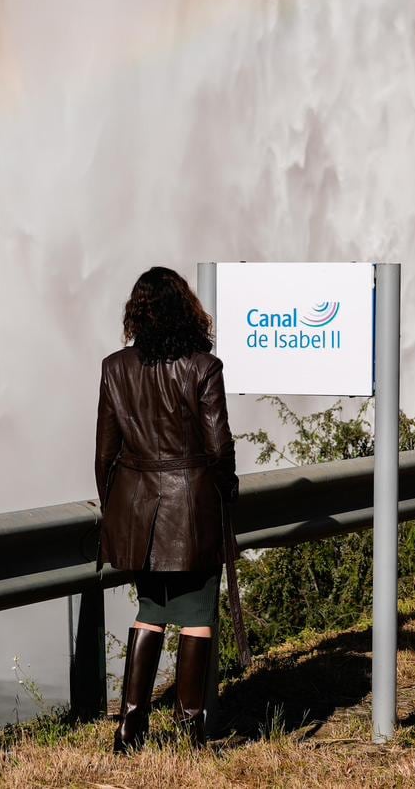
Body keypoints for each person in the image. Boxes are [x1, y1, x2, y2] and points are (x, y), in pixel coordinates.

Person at [96, 266, 238, 752]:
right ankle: (190, 730)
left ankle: (130, 728)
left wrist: (119, 509)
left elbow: (104, 455)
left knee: (150, 609)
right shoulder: (203, 367)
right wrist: (227, 493)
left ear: (136, 314)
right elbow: (218, 449)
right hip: (192, 509)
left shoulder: (114, 368)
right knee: (197, 612)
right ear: (187, 313)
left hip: (137, 513)